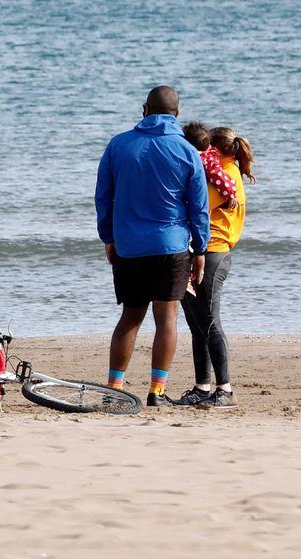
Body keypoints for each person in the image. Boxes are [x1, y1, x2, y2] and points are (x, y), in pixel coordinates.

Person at [95, 86, 209, 407]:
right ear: (177, 113)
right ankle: (156, 393)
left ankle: (114, 392)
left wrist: (109, 238)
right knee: (167, 319)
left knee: (130, 318)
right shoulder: (186, 150)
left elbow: (103, 198)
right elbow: (197, 207)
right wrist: (200, 249)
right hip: (170, 246)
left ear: (145, 109)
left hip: (129, 247)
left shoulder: (119, 145)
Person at [175, 127, 255, 409]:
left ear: (216, 151)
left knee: (209, 322)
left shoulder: (226, 177)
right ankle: (202, 387)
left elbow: (197, 209)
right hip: (204, 252)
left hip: (213, 253)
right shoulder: (220, 174)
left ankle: (225, 389)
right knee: (197, 325)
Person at [182, 121, 240, 209]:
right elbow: (220, 175)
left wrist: (231, 194)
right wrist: (231, 194)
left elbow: (219, 176)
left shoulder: (204, 159)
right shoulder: (209, 157)